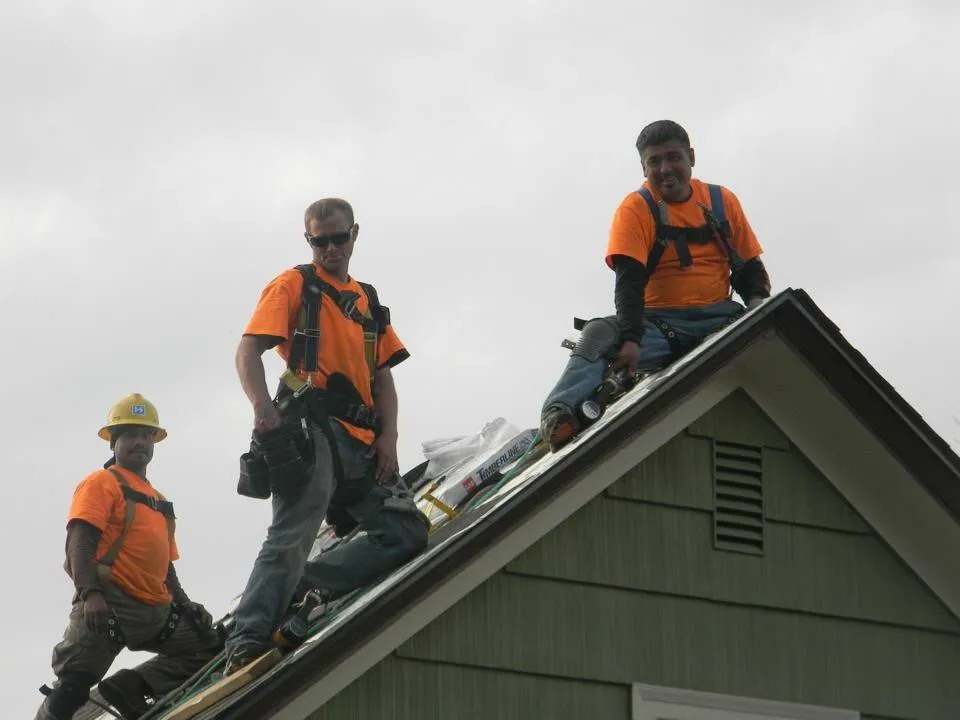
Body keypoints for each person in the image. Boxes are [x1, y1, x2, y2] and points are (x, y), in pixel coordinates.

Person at [224, 197, 429, 675]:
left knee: (406, 531)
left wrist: (389, 438)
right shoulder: (295, 283)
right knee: (293, 532)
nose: (331, 248)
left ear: (355, 233)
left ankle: (303, 583)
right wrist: (262, 411)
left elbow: (383, 377)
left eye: (339, 238)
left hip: (362, 440)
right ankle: (247, 639)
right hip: (310, 424)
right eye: (321, 241)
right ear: (308, 240)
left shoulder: (368, 298)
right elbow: (248, 351)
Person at [541, 120, 772, 451]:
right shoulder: (636, 208)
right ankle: (560, 415)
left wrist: (758, 309)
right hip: (659, 326)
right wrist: (632, 341)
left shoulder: (722, 202)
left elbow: (749, 268)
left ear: (691, 157)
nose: (666, 169)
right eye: (654, 162)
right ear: (643, 167)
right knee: (598, 335)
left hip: (720, 319)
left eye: (674, 157)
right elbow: (629, 283)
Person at [34, 393, 222, 720]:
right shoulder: (101, 483)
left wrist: (185, 603)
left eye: (147, 435)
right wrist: (90, 594)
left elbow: (166, 568)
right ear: (113, 443)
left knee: (210, 647)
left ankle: (131, 687)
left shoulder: (160, 502)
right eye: (131, 434)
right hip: (108, 608)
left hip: (156, 612)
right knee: (72, 689)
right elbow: (79, 543)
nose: (140, 442)